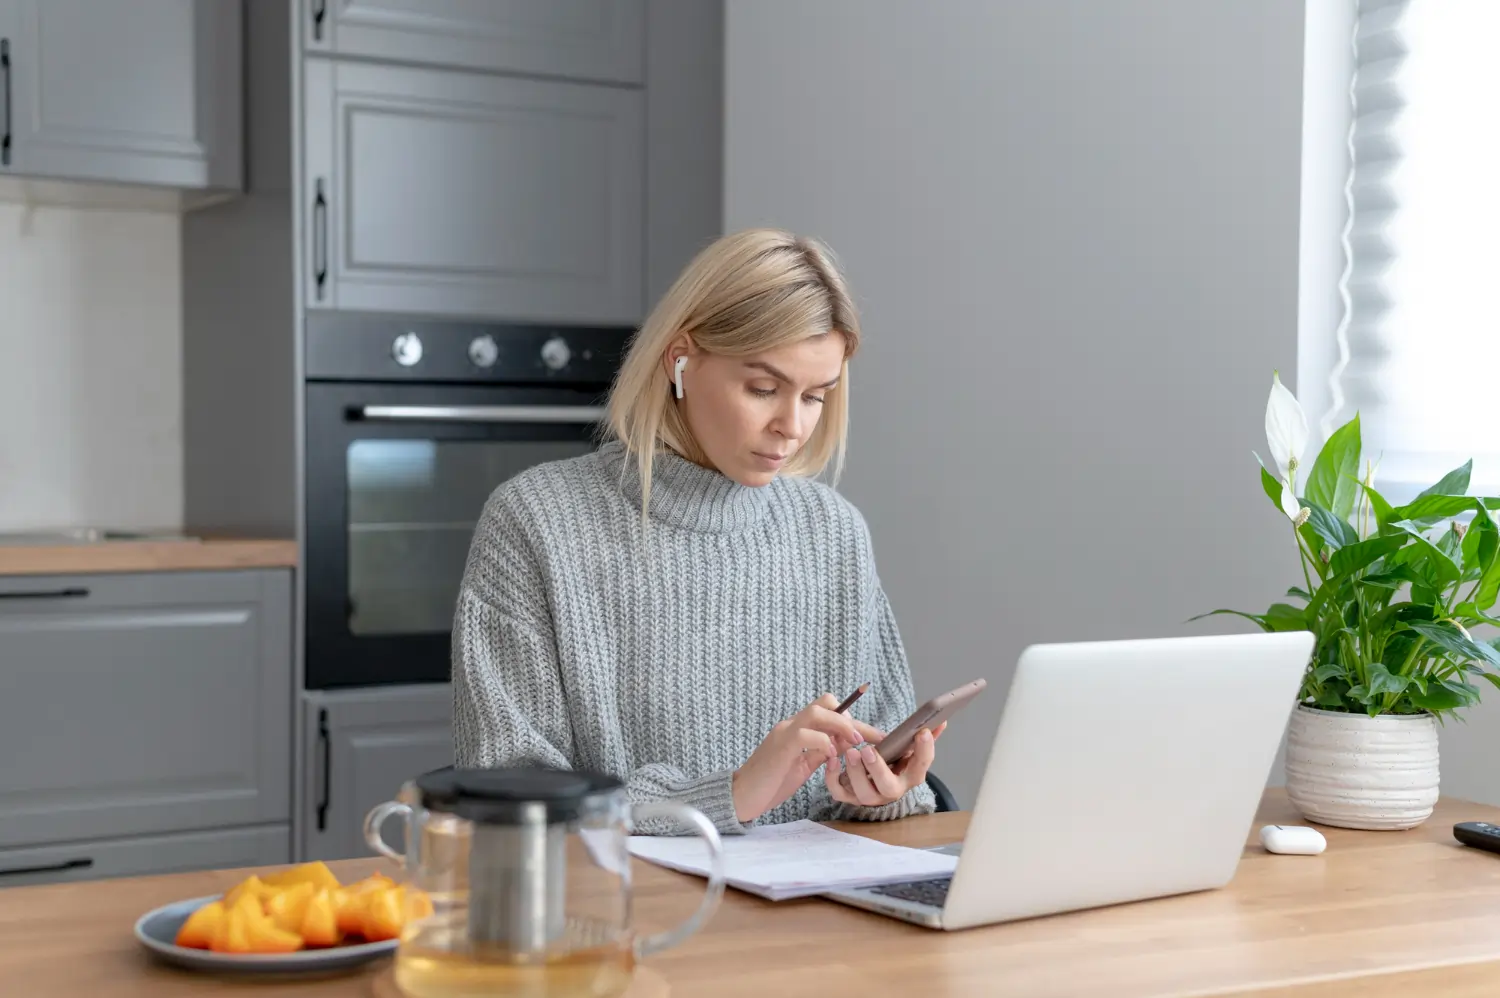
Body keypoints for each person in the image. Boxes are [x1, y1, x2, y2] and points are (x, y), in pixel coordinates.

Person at [451, 228, 942, 833]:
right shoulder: (536, 521)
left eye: (816, 396)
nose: (792, 426)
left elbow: (872, 780)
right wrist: (730, 795)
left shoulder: (834, 532)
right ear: (679, 359)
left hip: (815, 917)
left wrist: (878, 788)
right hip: (630, 916)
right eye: (763, 388)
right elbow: (512, 797)